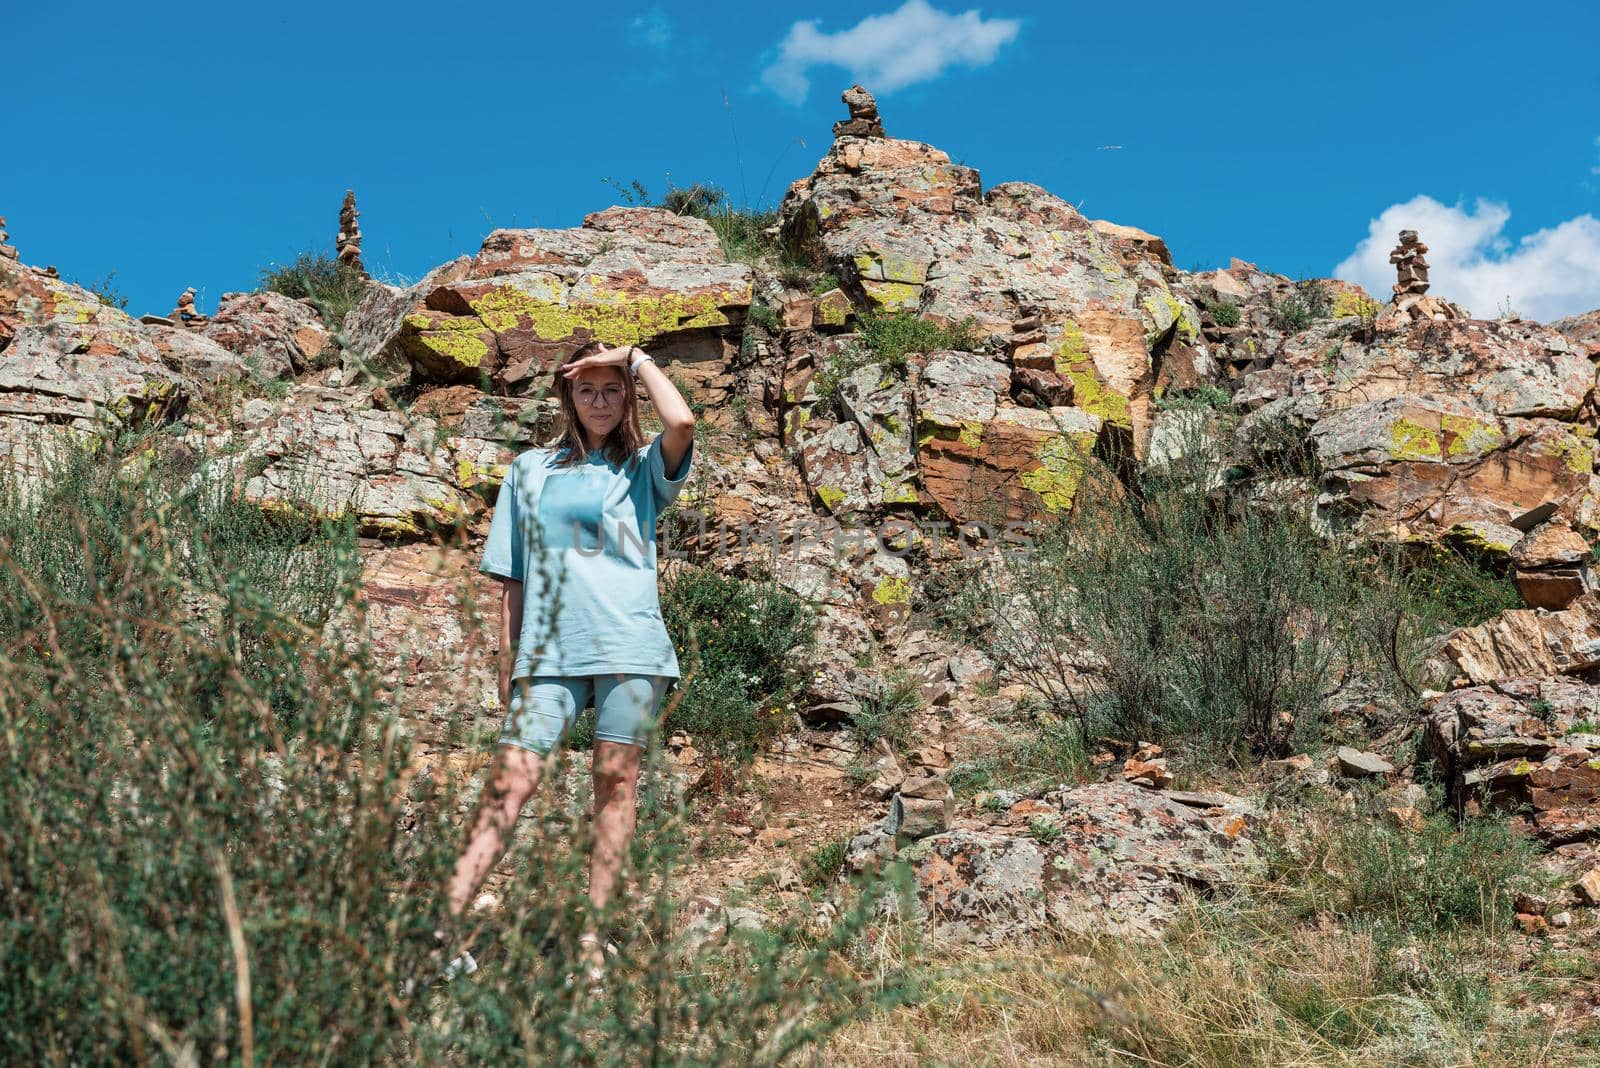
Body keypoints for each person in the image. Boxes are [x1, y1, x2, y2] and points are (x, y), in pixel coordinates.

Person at [429, 338, 696, 992]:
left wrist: (634, 357)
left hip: (631, 649)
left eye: (611, 389)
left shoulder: (642, 468)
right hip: (548, 653)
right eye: (587, 389)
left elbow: (683, 421)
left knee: (615, 782)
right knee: (510, 784)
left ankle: (592, 939)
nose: (600, 400)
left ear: (626, 395)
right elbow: (511, 579)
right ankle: (441, 935)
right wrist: (507, 667)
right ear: (567, 397)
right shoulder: (529, 470)